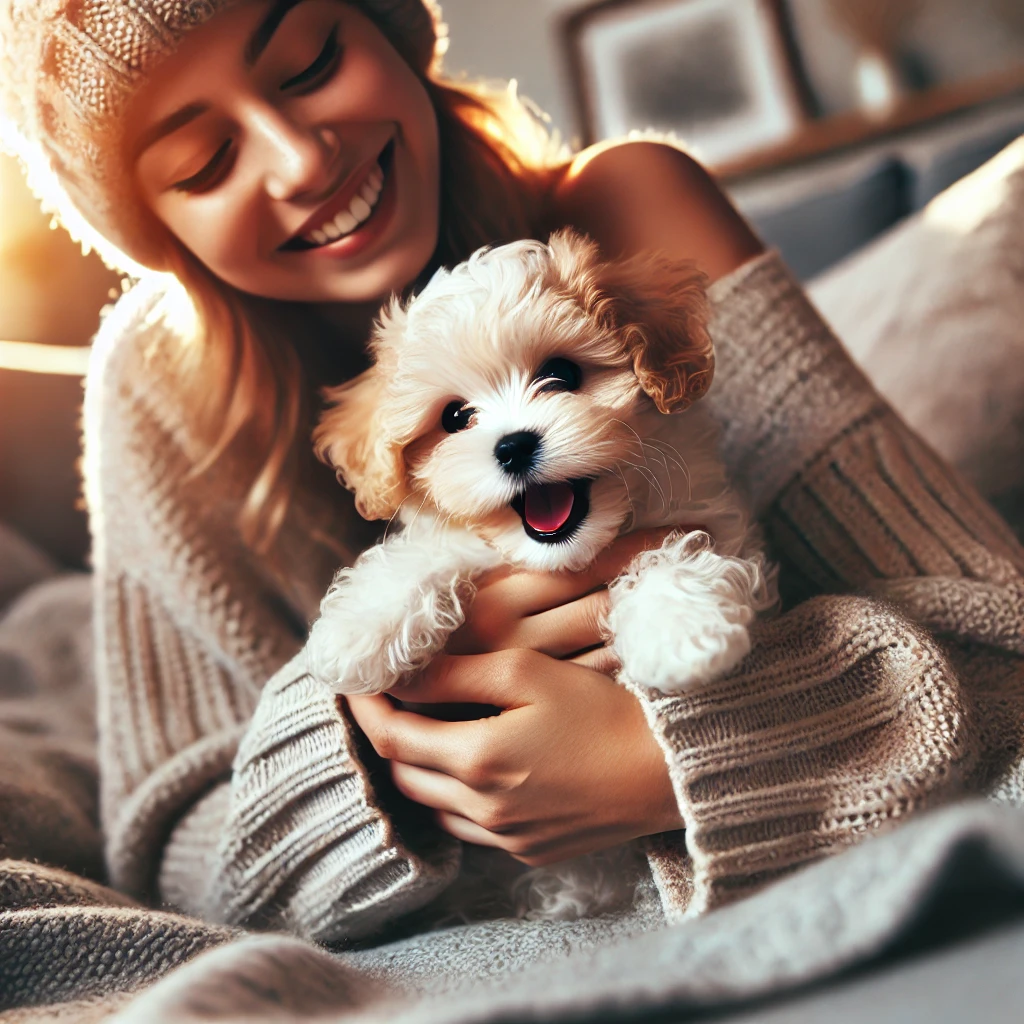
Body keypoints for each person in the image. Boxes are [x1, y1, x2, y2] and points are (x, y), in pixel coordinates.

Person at [1, 0, 1021, 968]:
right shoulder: (157, 379)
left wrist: (678, 758)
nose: (301, 158)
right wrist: (383, 755)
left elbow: (1002, 648)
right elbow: (171, 841)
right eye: (206, 159)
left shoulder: (632, 212)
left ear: (391, 28)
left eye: (310, 61)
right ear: (154, 223)